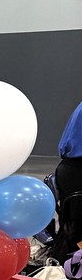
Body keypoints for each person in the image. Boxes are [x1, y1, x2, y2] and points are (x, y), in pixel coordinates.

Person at [50, 101, 82, 265]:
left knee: (71, 229)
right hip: (77, 171)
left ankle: (62, 268)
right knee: (75, 230)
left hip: (69, 170)